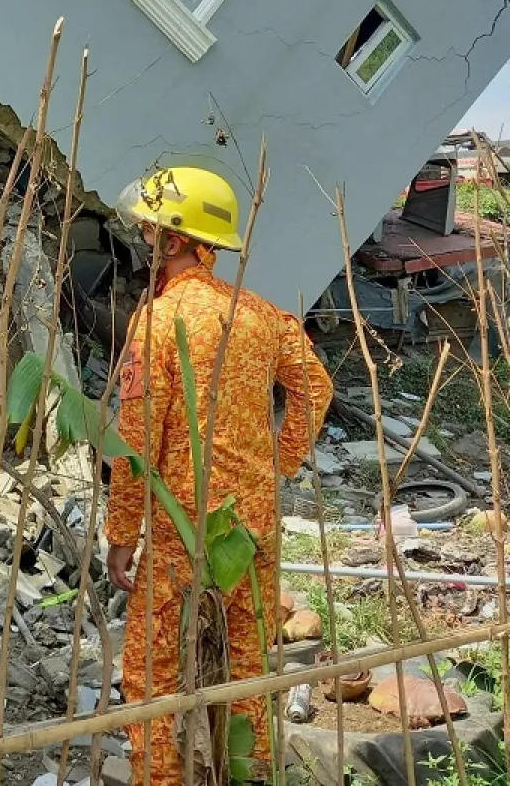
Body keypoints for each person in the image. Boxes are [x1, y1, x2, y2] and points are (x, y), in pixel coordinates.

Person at [106, 167, 334, 786]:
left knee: (154, 674)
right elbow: (316, 388)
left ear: (176, 240)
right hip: (253, 528)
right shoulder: (260, 316)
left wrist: (122, 535)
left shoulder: (154, 323)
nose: (143, 244)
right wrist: (275, 464)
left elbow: (135, 446)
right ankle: (246, 773)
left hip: (185, 534)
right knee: (247, 665)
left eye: (150, 233)